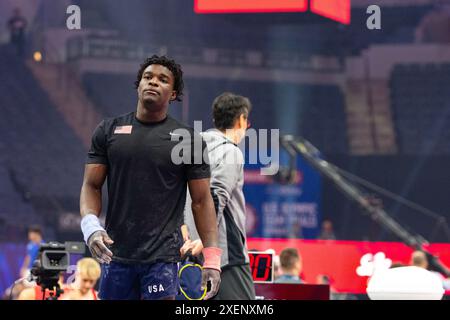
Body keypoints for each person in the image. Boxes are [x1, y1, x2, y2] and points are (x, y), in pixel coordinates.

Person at [79, 55, 221, 300]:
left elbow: (201, 201)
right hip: (116, 254)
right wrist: (90, 227)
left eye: (163, 80)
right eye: (148, 77)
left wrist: (212, 258)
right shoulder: (108, 130)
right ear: (139, 85)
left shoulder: (187, 139)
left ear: (173, 93)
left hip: (162, 259)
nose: (153, 82)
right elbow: (91, 185)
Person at [181, 92, 255, 300]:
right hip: (226, 254)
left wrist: (192, 238)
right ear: (241, 120)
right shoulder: (231, 152)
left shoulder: (192, 150)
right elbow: (216, 195)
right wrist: (206, 240)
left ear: (215, 119)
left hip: (195, 250)